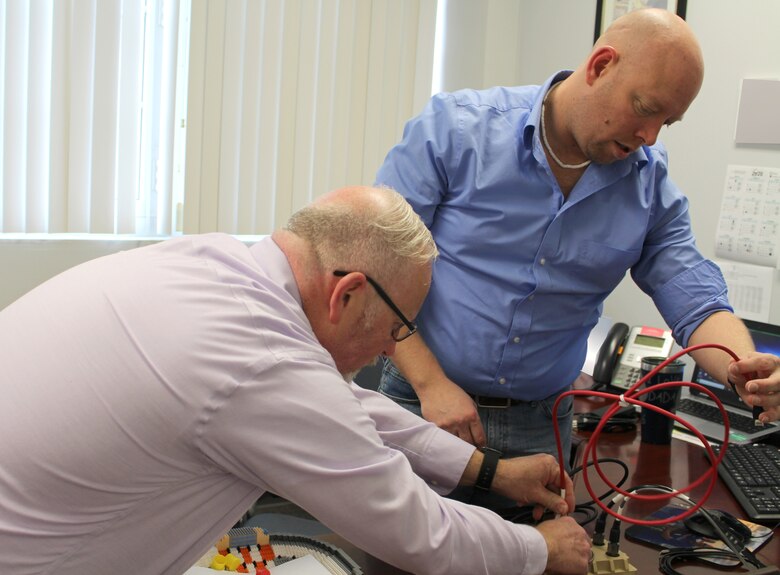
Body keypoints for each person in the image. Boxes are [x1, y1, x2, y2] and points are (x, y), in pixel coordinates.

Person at [0, 185, 591, 575]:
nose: (392, 349)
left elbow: (336, 403)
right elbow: (418, 531)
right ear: (347, 293)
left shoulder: (214, 261)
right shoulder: (261, 361)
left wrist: (485, 471)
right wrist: (539, 549)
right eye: (395, 327)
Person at [374, 8, 780, 473]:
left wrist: (746, 367)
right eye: (645, 109)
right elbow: (375, 271)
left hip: (539, 425)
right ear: (601, 66)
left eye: (667, 122)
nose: (649, 136)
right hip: (422, 399)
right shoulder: (456, 130)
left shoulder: (647, 183)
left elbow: (695, 299)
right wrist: (429, 383)